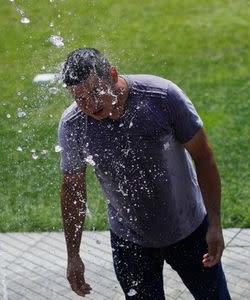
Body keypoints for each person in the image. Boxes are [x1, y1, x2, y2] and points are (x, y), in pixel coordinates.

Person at [58, 48, 231, 299]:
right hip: (129, 244)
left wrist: (215, 223)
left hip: (191, 231)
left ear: (113, 74)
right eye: (79, 98)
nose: (90, 105)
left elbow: (204, 157)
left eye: (96, 92)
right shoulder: (73, 124)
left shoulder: (162, 97)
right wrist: (73, 255)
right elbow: (73, 189)